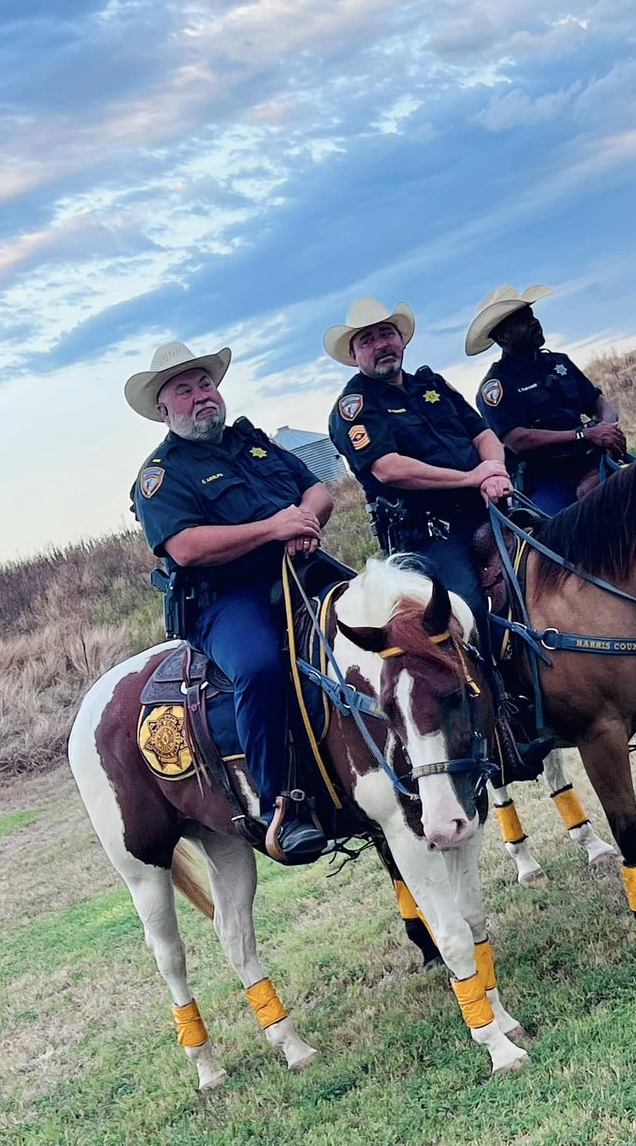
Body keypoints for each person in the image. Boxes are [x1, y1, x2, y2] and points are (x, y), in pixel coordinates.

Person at [125, 340, 331, 863]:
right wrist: (272, 528)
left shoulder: (253, 442)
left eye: (206, 384)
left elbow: (317, 491)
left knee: (393, 609)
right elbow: (186, 547)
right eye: (185, 390)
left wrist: (304, 522)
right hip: (227, 599)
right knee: (260, 668)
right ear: (162, 409)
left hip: (301, 569)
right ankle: (282, 806)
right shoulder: (161, 476)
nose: (201, 397)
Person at [324, 297, 511, 644]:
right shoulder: (355, 407)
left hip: (492, 505)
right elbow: (388, 469)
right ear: (353, 356)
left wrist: (496, 470)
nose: (381, 345)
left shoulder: (432, 386)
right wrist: (473, 478)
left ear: (402, 339)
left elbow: (483, 433)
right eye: (367, 340)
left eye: (386, 334)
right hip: (432, 536)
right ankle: (496, 693)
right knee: (467, 613)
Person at [467, 285, 627, 515]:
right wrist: (584, 434)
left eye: (532, 315)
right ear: (502, 336)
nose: (534, 322)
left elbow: (598, 402)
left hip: (592, 460)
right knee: (555, 535)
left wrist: (608, 428)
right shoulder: (496, 386)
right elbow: (518, 439)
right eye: (522, 320)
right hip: (549, 479)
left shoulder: (559, 363)